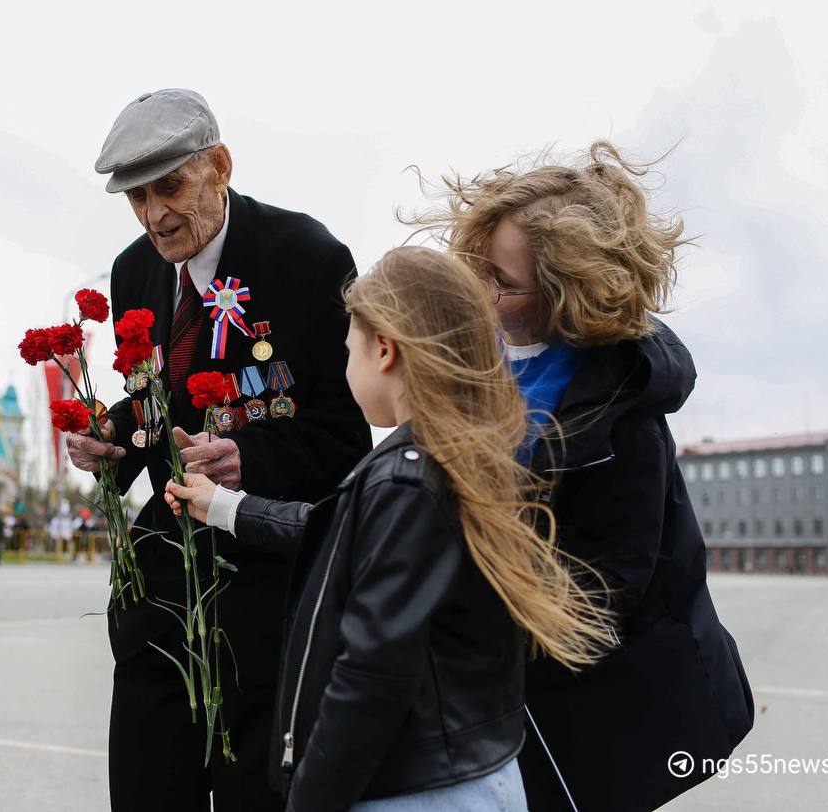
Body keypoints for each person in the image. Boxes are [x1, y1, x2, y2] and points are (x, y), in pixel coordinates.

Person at [167, 247, 614, 811]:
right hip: (473, 777)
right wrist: (226, 506)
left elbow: (371, 675)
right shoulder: (462, 459)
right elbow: (338, 533)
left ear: (384, 350)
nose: (346, 363)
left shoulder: (406, 477)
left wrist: (311, 797)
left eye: (349, 348)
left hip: (411, 791)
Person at [70, 88, 371, 812]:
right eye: (136, 197)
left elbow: (347, 427)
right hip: (168, 590)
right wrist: (114, 437)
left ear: (220, 167)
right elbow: (156, 405)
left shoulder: (306, 257)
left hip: (267, 589)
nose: (154, 215)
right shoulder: (134, 271)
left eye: (169, 186)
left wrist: (249, 459)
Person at [435, 142, 755, 811]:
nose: (483, 294)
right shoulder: (487, 360)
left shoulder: (623, 418)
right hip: (520, 690)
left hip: (615, 701)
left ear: (564, 293)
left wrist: (465, 631)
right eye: (480, 271)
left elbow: (604, 598)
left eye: (505, 283)